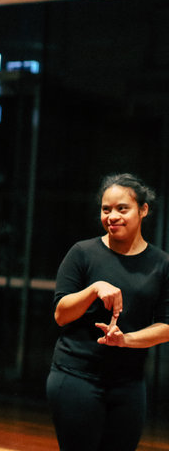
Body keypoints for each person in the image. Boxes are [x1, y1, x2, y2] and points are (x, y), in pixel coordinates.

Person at [46, 173, 169, 451]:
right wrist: (94, 289)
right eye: (106, 209)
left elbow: (166, 326)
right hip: (76, 377)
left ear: (143, 210)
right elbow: (61, 315)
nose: (112, 216)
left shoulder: (161, 264)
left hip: (129, 384)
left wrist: (125, 340)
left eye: (122, 208)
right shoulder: (82, 253)